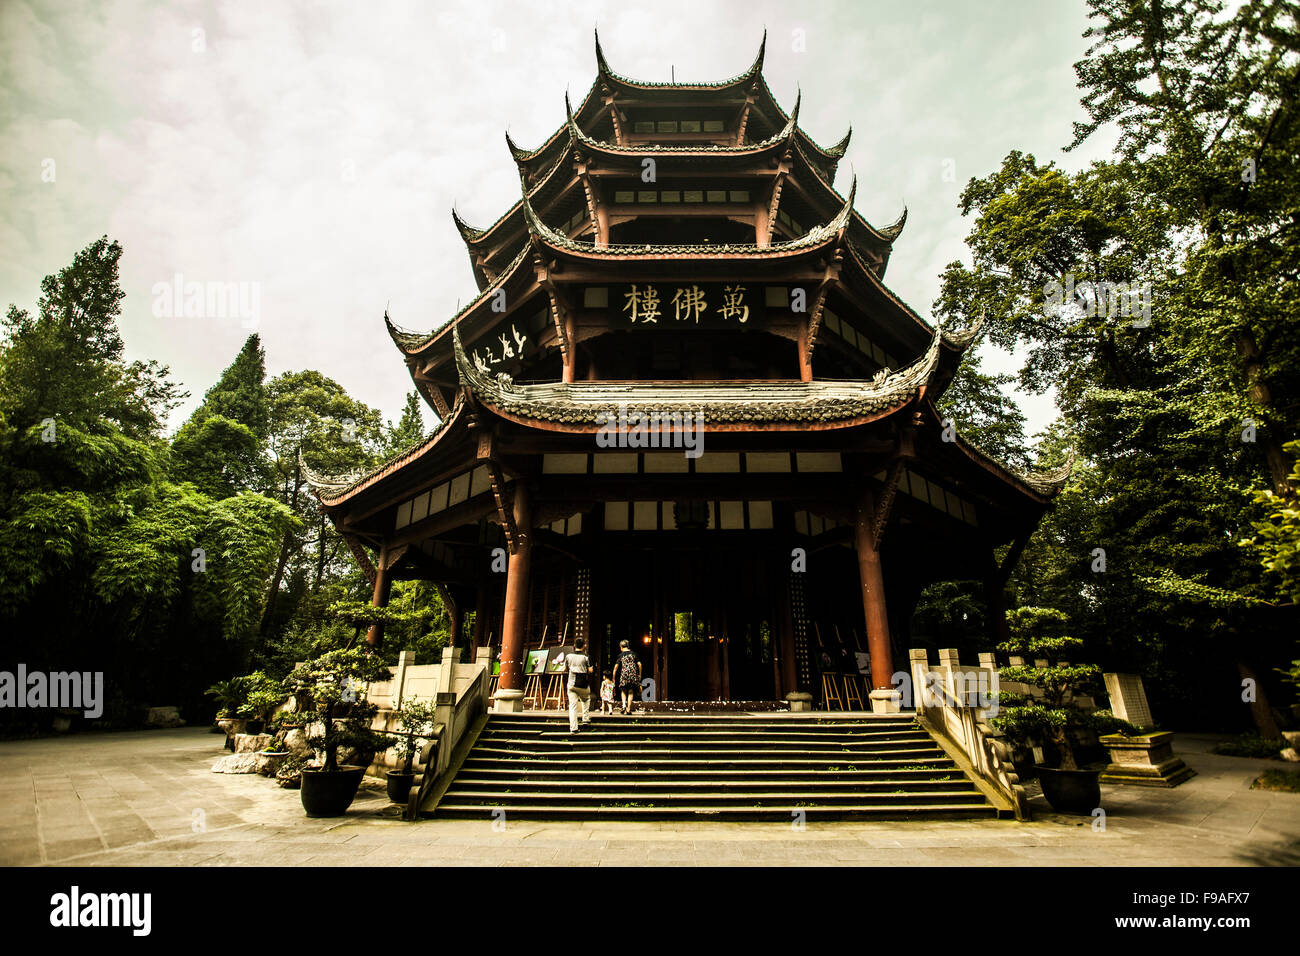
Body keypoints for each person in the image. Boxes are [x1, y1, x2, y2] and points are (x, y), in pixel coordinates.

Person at [564, 638, 593, 734]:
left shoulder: (568, 656)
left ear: (574, 645)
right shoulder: (586, 657)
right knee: (586, 699)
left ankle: (573, 728)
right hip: (582, 683)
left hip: (571, 683)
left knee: (572, 706)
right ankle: (585, 718)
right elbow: (590, 670)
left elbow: (565, 669)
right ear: (584, 646)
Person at [613, 639, 642, 715]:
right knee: (630, 691)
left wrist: (613, 677)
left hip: (624, 675)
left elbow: (616, 667)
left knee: (623, 691)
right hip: (633, 675)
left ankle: (623, 705)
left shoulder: (621, 655)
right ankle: (628, 709)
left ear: (621, 647)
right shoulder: (634, 654)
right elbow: (639, 664)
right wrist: (640, 674)